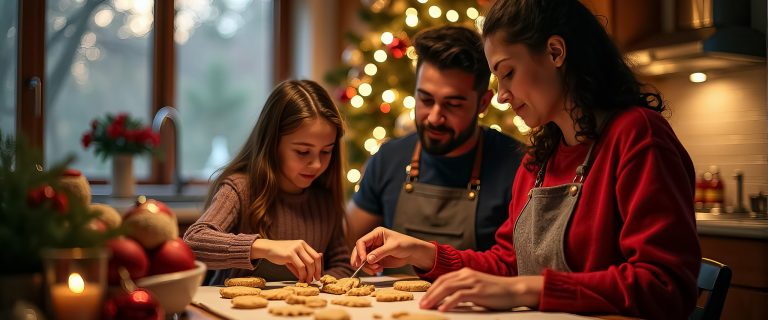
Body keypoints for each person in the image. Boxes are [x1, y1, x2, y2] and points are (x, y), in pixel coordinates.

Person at [350, 0, 701, 319]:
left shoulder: (637, 135)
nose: (502, 97)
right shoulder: (539, 157)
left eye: (508, 73)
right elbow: (508, 264)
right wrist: (423, 252)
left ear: (555, 52)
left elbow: (664, 286)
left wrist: (526, 288)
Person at [347, 25, 523, 255]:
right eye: (426, 100)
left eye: (453, 104)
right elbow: (342, 243)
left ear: (483, 103)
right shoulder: (388, 158)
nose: (434, 117)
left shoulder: (517, 166)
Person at [184, 79, 353, 284]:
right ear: (272, 143)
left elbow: (342, 265)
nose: (316, 164)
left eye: (326, 151)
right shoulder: (240, 189)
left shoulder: (324, 198)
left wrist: (319, 285)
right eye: (302, 152)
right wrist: (265, 247)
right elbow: (193, 243)